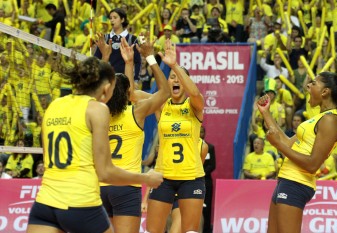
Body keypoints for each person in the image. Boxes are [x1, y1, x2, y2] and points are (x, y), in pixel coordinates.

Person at [26, 56, 163, 233]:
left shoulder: (54, 105)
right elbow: (105, 172)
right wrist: (146, 178)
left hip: (45, 204)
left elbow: (47, 157)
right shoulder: (97, 109)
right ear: (106, 88)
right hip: (80, 202)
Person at [95, 33, 170, 233]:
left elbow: (100, 90)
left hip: (99, 186)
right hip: (126, 187)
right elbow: (164, 92)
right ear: (128, 94)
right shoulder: (136, 112)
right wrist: (150, 57)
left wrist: (106, 58)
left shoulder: (98, 112)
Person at [256, 72, 337, 232]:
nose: (308, 85)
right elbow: (286, 141)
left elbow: (313, 164)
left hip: (297, 183)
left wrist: (278, 145)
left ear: (325, 91)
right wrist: (266, 113)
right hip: (286, 181)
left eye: (313, 83)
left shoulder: (331, 121)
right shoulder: (321, 118)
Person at [145, 41, 205, 233]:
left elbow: (194, 92)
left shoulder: (194, 105)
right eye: (172, 77)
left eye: (180, 77)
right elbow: (132, 94)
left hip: (191, 177)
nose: (176, 80)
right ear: (167, 82)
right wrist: (147, 58)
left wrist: (174, 66)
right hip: (163, 176)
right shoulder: (161, 105)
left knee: (189, 231)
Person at [94, 8, 141, 82]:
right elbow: (96, 59)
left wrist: (135, 80)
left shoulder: (133, 39)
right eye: (110, 18)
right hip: (107, 80)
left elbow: (137, 62)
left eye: (115, 17)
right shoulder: (104, 38)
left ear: (122, 20)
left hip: (126, 81)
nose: (112, 20)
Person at [200, 125, 216, 233]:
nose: (200, 134)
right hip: (191, 180)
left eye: (202, 132)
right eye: (198, 131)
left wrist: (201, 173)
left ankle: (205, 230)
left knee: (206, 207)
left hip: (206, 180)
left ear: (204, 134)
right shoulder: (190, 147)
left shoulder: (210, 147)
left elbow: (212, 165)